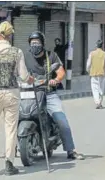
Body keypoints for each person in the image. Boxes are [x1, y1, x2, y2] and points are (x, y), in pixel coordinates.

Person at [0, 21, 34, 176]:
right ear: (10, 36)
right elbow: (24, 76)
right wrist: (31, 79)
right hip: (11, 94)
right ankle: (9, 163)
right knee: (10, 129)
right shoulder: (17, 52)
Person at [26, 31, 85, 160]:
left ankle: (71, 150)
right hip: (30, 95)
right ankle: (9, 152)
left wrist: (56, 80)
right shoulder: (25, 57)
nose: (34, 45)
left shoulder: (51, 56)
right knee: (14, 118)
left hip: (49, 94)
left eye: (37, 43)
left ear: (42, 44)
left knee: (61, 120)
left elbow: (60, 72)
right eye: (32, 43)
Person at [86, 40, 105, 109]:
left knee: (94, 89)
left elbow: (88, 64)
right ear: (102, 46)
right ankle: (100, 102)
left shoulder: (92, 54)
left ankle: (97, 102)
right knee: (101, 89)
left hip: (93, 74)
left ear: (96, 45)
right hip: (102, 74)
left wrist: (88, 71)